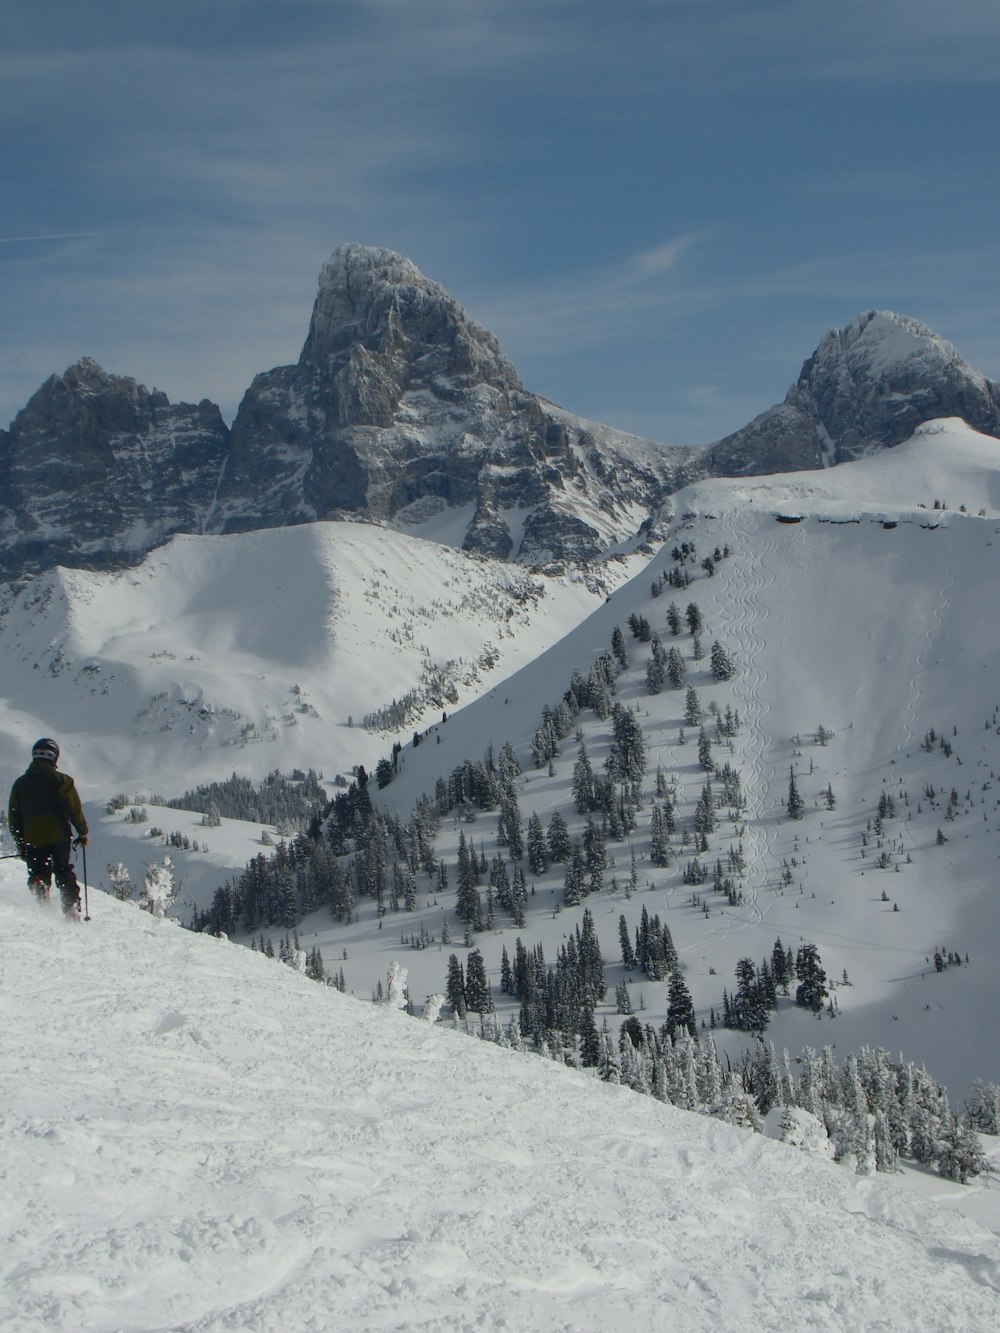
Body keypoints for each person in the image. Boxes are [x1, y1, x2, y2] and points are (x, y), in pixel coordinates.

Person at [8, 738, 89, 917]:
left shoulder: (20, 784)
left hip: (33, 838)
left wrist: (21, 843)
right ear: (54, 757)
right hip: (59, 835)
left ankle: (40, 895)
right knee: (63, 871)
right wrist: (82, 831)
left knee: (38, 872)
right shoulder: (62, 781)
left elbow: (14, 818)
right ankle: (71, 909)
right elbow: (73, 809)